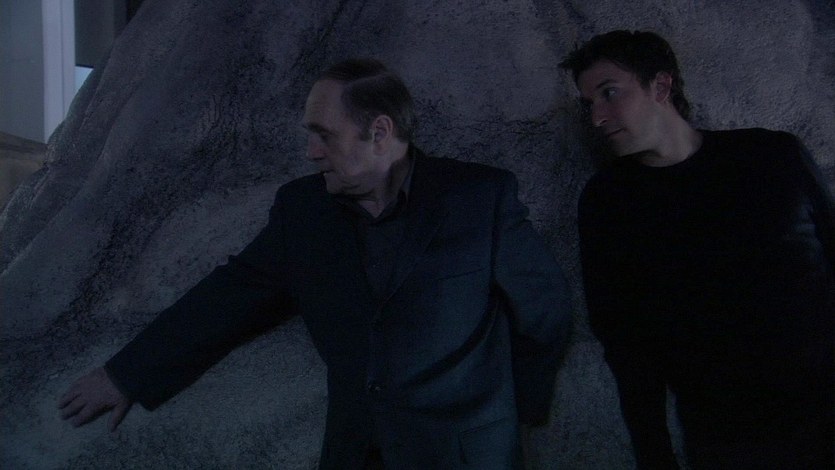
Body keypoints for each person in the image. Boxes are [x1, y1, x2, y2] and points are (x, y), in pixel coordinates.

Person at [58, 58, 573, 469]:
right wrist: (127, 374)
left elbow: (544, 310)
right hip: (355, 452)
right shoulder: (303, 211)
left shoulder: (479, 197)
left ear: (379, 131)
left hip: (465, 455)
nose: (310, 152)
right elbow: (228, 296)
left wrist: (521, 410)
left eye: (324, 135)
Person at [560, 30, 834, 469]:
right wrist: (654, 455)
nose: (597, 117)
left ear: (661, 86)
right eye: (589, 103)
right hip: (727, 436)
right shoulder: (610, 202)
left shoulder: (771, 155)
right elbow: (624, 340)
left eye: (609, 93)